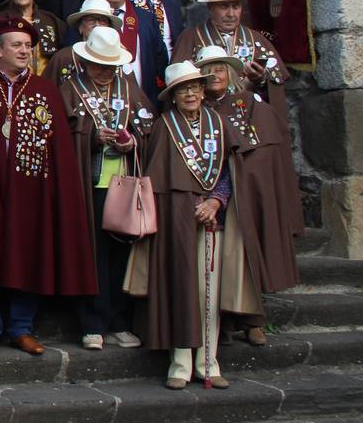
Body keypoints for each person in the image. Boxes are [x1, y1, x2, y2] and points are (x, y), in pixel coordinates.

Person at [0, 18, 96, 356]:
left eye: (28, 45)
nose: (25, 50)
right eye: (17, 45)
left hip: (32, 190)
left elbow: (61, 151)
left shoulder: (45, 91)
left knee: (29, 252)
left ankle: (22, 327)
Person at [131, 61, 254, 390]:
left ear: (203, 89)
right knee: (181, 285)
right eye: (183, 89)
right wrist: (185, 206)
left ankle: (208, 361)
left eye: (195, 87)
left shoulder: (219, 122)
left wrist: (216, 201)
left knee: (208, 290)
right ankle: (181, 361)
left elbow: (232, 169)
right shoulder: (163, 127)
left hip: (213, 216)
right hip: (176, 217)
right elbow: (156, 179)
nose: (190, 93)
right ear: (173, 95)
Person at [195, 45, 301, 345]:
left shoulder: (249, 104)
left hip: (240, 191)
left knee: (243, 255)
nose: (213, 75)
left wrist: (238, 180)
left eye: (219, 68)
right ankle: (221, 321)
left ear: (230, 73)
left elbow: (264, 151)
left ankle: (253, 319)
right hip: (204, 190)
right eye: (207, 70)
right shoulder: (194, 108)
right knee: (213, 260)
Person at [60, 26, 153, 351]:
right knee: (93, 255)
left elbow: (147, 126)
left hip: (124, 184)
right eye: (99, 66)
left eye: (110, 66)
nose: (104, 72)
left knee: (120, 254)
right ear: (86, 63)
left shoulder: (128, 87)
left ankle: (118, 321)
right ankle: (91, 323)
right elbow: (60, 136)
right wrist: (90, 138)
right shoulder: (70, 89)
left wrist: (131, 141)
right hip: (89, 186)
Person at [172, 0, 290, 136]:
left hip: (249, 122)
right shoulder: (190, 38)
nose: (231, 14)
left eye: (236, 7)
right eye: (224, 7)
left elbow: (276, 82)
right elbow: (177, 83)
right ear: (210, 7)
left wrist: (260, 79)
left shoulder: (256, 40)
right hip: (206, 122)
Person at [89, 0, 169, 103]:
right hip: (101, 103)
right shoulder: (86, 19)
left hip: (144, 102)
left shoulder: (146, 17)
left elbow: (160, 60)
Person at [43, 0, 122, 86]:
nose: (97, 24)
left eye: (103, 20)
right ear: (80, 27)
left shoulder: (120, 58)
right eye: (91, 20)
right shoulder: (63, 58)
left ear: (109, 27)